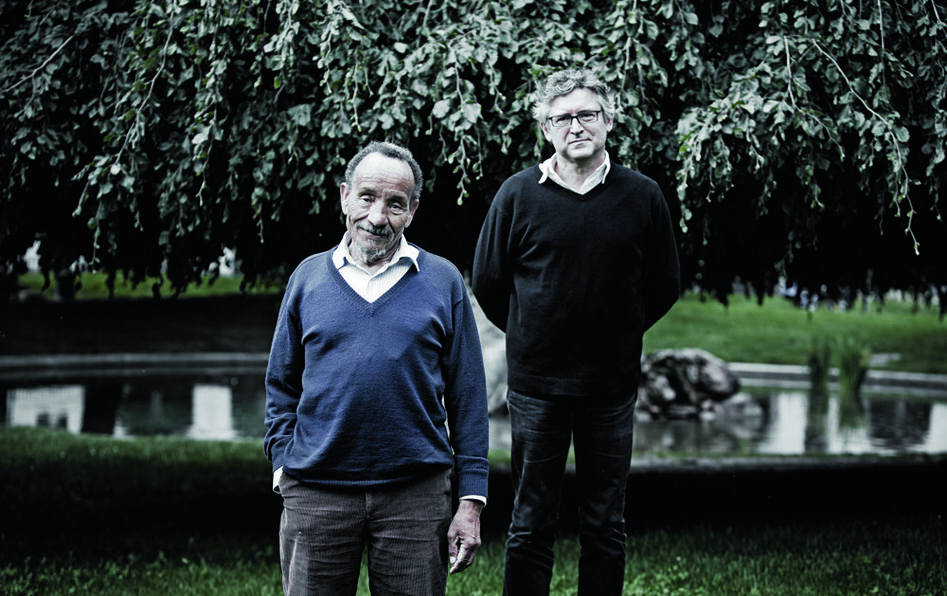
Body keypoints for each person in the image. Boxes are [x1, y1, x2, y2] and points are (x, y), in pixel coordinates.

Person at [472, 69, 680, 595]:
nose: (576, 126)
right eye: (562, 118)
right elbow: (489, 283)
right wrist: (530, 335)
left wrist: (619, 334)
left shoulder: (643, 195)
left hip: (610, 387)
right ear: (546, 129)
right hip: (536, 387)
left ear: (609, 121)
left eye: (587, 114)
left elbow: (664, 285)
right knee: (530, 521)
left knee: (605, 524)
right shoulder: (517, 195)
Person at [264, 141, 489, 595]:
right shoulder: (307, 278)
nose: (377, 216)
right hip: (316, 491)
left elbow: (468, 397)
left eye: (395, 204)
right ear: (345, 196)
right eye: (366, 197)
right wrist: (283, 465)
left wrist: (471, 501)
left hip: (416, 496)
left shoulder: (443, 281)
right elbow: (281, 385)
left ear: (413, 211)